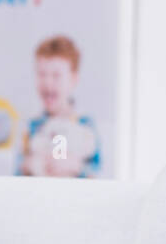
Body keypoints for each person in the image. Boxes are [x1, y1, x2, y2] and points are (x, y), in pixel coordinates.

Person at [14, 35, 101, 178]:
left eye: (56, 75)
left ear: (73, 79)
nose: (48, 82)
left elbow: (98, 172)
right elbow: (16, 172)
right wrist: (28, 166)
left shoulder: (85, 124)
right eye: (42, 74)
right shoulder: (32, 126)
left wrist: (77, 167)